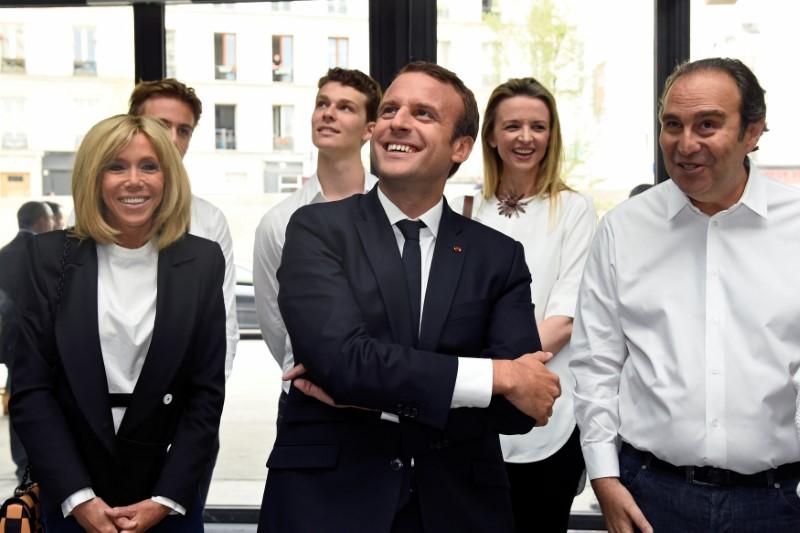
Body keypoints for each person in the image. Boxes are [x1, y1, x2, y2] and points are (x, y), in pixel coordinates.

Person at [258, 61, 561, 533]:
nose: (397, 122)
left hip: (459, 508)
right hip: (329, 503)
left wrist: (365, 394)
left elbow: (517, 408)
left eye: (422, 114)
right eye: (390, 109)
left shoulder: (497, 256)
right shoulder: (316, 229)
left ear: (461, 147)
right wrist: (493, 375)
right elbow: (341, 362)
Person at [570, 57, 800, 533]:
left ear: (753, 132)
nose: (685, 143)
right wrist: (605, 479)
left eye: (708, 124)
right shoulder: (623, 229)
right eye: (672, 125)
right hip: (649, 495)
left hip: (776, 501)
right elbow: (596, 364)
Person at [10, 115, 226, 532]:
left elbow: (206, 393)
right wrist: (79, 498)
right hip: (74, 494)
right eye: (116, 166)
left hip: (165, 494)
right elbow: (31, 390)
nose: (134, 180)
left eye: (149, 166)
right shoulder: (47, 258)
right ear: (94, 176)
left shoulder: (201, 261)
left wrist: (165, 499)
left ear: (168, 177)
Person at [451, 77, 596, 532]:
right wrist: (492, 379)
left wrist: (503, 374)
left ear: (552, 136)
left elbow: (565, 318)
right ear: (491, 135)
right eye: (512, 125)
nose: (525, 137)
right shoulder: (464, 208)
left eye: (538, 126)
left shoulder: (574, 209)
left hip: (547, 413)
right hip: (472, 411)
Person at [128, 78, 237, 505]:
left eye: (183, 129)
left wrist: (200, 417)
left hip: (184, 422)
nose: (172, 139)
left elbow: (222, 330)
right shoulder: (98, 209)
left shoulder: (209, 222)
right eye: (160, 124)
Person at [253, 67, 381, 403]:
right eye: (322, 103)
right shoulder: (278, 222)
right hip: (305, 392)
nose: (328, 113)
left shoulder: (393, 213)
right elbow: (276, 327)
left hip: (384, 392)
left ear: (370, 129)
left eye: (345, 107)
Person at [0, 201, 54, 483]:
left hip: (11, 343)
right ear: (40, 221)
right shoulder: (47, 253)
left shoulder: (3, 254)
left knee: (17, 399)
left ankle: (23, 465)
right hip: (43, 340)